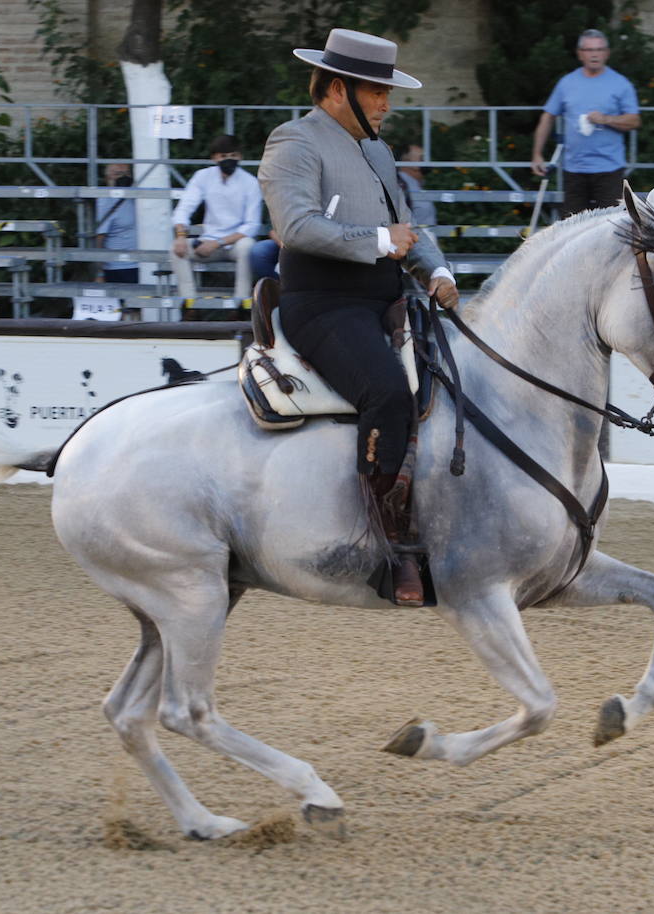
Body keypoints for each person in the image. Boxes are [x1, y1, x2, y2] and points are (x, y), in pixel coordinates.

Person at [259, 27, 459, 607]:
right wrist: (378, 240)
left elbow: (406, 231)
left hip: (386, 299)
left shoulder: (377, 149)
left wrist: (436, 273)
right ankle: (384, 546)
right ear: (338, 88)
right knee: (388, 392)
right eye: (376, 91)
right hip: (322, 303)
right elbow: (295, 225)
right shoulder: (294, 141)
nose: (386, 104)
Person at [530, 28, 641, 216]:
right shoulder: (567, 83)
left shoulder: (620, 83)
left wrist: (606, 119)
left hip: (609, 169)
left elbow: (634, 120)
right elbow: (548, 116)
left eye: (599, 49)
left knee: (611, 226)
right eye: (589, 50)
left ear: (607, 53)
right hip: (574, 169)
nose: (594, 54)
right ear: (580, 54)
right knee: (572, 228)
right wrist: (537, 155)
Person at [171, 134, 263, 305]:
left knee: (247, 246)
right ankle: (189, 304)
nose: (229, 160)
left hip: (234, 244)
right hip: (207, 242)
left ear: (240, 156)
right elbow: (184, 208)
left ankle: (241, 304)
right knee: (176, 249)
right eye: (223, 156)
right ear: (214, 158)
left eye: (233, 155)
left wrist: (218, 242)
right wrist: (181, 236)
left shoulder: (250, 183)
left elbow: (252, 225)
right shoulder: (202, 176)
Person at [95, 163, 139, 284]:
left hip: (142, 265)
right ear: (107, 178)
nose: (124, 177)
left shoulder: (136, 197)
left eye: (127, 173)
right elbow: (100, 238)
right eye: (118, 174)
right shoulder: (105, 201)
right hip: (119, 269)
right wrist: (99, 273)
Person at [397, 144, 436, 229]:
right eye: (422, 158)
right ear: (406, 160)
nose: (427, 161)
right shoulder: (399, 185)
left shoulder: (415, 184)